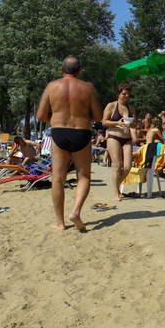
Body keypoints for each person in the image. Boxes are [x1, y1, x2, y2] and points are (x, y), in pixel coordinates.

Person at [36, 56, 104, 231]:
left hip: (59, 132)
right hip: (82, 132)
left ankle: (60, 222)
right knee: (84, 177)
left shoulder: (52, 86)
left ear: (62, 69)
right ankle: (75, 212)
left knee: (58, 178)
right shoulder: (87, 88)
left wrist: (57, 116)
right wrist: (81, 116)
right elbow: (98, 115)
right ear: (79, 71)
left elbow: (41, 116)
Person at [101, 83, 137, 201]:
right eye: (124, 94)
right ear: (118, 94)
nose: (126, 96)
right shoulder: (111, 106)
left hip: (127, 138)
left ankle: (116, 185)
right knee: (117, 165)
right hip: (114, 137)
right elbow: (104, 122)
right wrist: (117, 123)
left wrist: (133, 124)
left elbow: (135, 124)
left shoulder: (131, 108)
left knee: (127, 167)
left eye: (128, 94)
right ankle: (116, 193)